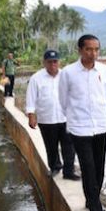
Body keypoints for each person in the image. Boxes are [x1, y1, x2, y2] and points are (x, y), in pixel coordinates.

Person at [59, 35, 106, 211]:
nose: (93, 53)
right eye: (89, 49)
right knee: (88, 168)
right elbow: (63, 100)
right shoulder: (68, 73)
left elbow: (105, 95)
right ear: (80, 50)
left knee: (98, 169)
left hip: (100, 126)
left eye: (97, 49)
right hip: (80, 128)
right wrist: (74, 118)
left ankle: (92, 200)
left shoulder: (104, 70)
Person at [26, 50, 80, 180]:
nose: (52, 64)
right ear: (44, 63)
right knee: (51, 146)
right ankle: (55, 167)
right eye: (49, 62)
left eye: (55, 61)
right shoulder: (36, 78)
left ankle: (69, 171)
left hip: (66, 117)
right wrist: (31, 115)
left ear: (59, 62)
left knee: (69, 146)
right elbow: (31, 98)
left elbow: (74, 95)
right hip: (47, 118)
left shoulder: (66, 76)